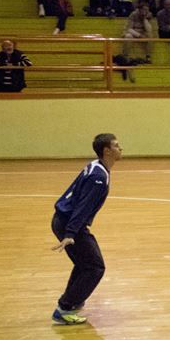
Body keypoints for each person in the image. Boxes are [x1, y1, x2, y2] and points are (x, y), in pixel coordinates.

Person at [50, 133, 123, 325]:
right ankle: (65, 308)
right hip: (69, 224)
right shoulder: (98, 177)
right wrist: (70, 234)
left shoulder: (97, 166)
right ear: (107, 151)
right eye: (116, 146)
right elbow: (83, 206)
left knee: (85, 264)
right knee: (95, 267)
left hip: (65, 221)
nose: (120, 149)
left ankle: (70, 303)